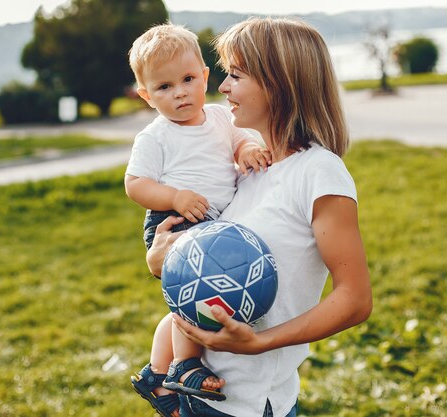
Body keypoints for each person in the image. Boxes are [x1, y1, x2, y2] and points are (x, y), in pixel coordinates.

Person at [146, 17, 373, 417]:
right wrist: (163, 258)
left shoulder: (320, 172)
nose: (222, 87)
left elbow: (354, 299)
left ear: (278, 82)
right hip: (200, 392)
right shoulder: (250, 172)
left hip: (248, 404)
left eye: (235, 74)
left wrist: (259, 343)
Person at [125, 23, 272, 417]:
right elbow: (135, 184)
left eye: (188, 79)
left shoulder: (222, 118)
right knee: (191, 300)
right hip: (176, 221)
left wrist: (247, 150)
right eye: (164, 87)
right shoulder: (155, 138)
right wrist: (174, 195)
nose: (180, 93)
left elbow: (240, 140)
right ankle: (185, 364)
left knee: (185, 305)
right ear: (146, 95)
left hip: (212, 222)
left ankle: (155, 375)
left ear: (205, 76)